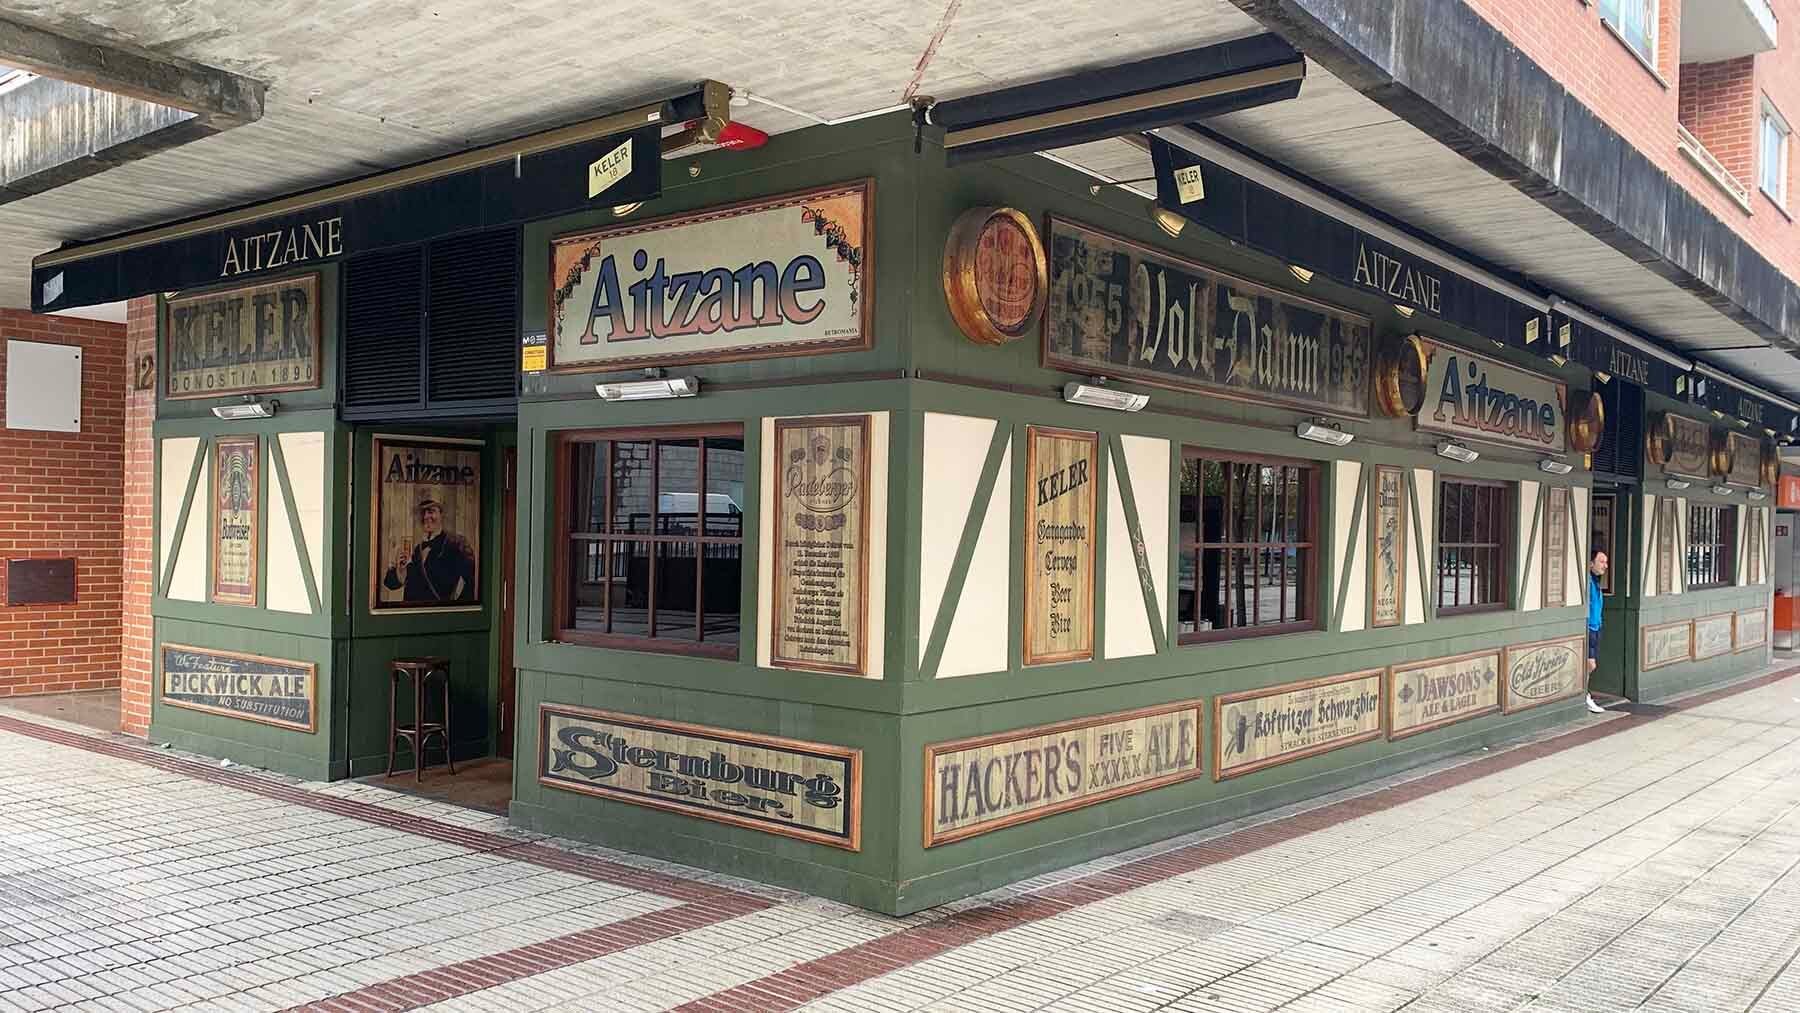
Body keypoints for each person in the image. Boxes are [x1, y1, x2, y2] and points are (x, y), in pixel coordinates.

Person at [383, 496, 476, 603]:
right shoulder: (417, 549)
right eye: (423, 512)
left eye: (431, 511)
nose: (426, 516)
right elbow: (390, 583)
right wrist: (399, 569)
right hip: (411, 614)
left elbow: (471, 581)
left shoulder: (456, 544)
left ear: (441, 514)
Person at [1585, 548, 1608, 714]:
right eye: (1601, 561)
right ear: (1591, 563)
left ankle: (1585, 695)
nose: (1605, 566)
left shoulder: (1596, 582)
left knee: (1591, 665)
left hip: (1596, 627)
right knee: (1590, 664)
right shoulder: (1587, 582)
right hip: (1589, 629)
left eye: (1606, 562)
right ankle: (1585, 696)